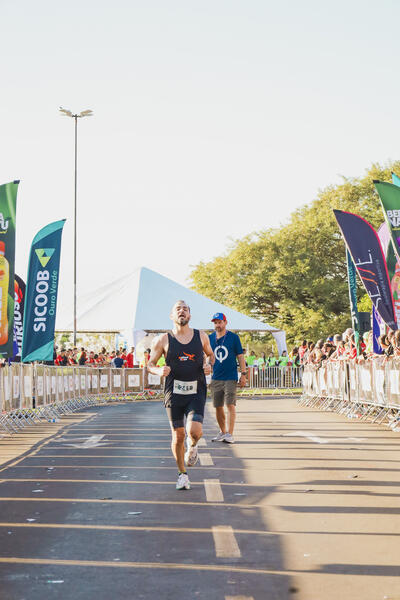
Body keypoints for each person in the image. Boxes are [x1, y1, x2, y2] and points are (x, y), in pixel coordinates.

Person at [147, 300, 214, 491]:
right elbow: (150, 364)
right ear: (172, 316)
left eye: (185, 309)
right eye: (178, 309)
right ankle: (182, 474)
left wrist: (209, 364)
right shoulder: (163, 340)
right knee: (178, 435)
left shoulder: (201, 336)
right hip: (173, 392)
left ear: (190, 316)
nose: (182, 311)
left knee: (194, 431)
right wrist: (159, 371)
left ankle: (192, 445)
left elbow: (210, 355)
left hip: (196, 390)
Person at [209, 312, 246, 444]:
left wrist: (243, 374)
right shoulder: (210, 338)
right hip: (216, 377)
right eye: (215, 323)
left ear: (225, 322)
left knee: (230, 404)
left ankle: (230, 434)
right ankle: (222, 431)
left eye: (220, 322)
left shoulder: (233, 337)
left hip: (230, 376)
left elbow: (240, 357)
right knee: (217, 406)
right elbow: (206, 355)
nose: (217, 325)